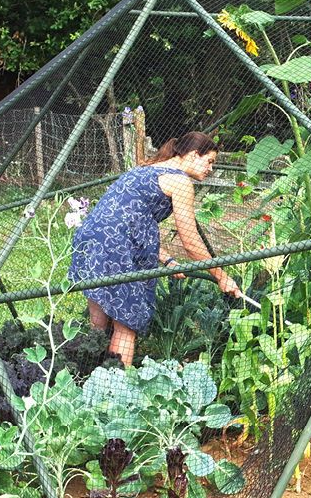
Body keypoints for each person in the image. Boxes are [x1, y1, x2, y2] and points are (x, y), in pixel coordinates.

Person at [68, 131, 242, 365]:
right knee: (126, 325)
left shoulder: (145, 169)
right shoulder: (180, 181)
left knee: (98, 323)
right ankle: (115, 393)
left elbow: (130, 223)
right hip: (116, 250)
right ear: (192, 154)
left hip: (89, 241)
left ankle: (85, 381)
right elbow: (190, 241)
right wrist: (222, 277)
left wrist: (167, 260)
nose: (210, 168)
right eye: (209, 161)